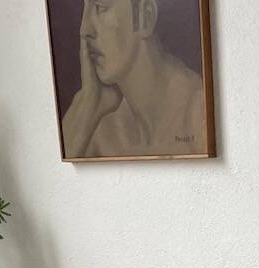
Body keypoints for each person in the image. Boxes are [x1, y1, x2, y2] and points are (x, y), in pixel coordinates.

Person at [61, 0, 205, 159]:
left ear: (146, 17)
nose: (84, 29)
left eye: (100, 7)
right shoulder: (100, 126)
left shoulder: (198, 114)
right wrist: (87, 104)